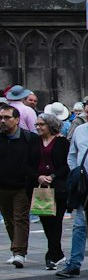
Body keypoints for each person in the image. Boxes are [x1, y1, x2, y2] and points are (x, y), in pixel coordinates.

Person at [52, 97, 88, 278]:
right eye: (87, 111)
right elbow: (72, 154)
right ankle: (74, 263)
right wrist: (76, 173)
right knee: (79, 225)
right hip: (83, 186)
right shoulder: (80, 131)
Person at [0, 106, 37, 268]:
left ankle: (19, 252)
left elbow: (35, 161)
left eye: (7, 117)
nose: (3, 121)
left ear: (17, 120)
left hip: (22, 186)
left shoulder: (29, 138)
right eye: (1, 118)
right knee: (9, 221)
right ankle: (16, 249)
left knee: (20, 218)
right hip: (2, 186)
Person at [33, 111, 68, 270]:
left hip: (58, 186)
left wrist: (53, 176)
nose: (38, 127)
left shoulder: (62, 142)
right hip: (40, 187)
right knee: (46, 220)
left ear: (50, 125)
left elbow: (67, 165)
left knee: (56, 221)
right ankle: (57, 253)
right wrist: (38, 177)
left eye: (41, 124)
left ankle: (51, 254)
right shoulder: (34, 142)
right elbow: (27, 163)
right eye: (37, 124)